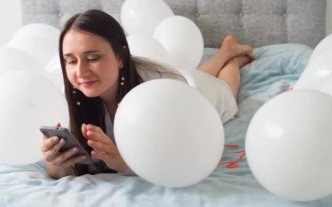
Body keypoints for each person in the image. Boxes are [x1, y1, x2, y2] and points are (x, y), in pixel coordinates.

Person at [41, 9, 254, 179]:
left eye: (93, 57)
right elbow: (61, 173)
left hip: (192, 98)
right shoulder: (70, 96)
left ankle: (233, 58)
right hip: (181, 80)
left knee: (225, 88)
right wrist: (54, 162)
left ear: (121, 57)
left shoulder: (160, 92)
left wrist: (125, 165)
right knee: (197, 74)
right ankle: (226, 50)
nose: (80, 72)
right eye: (70, 60)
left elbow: (176, 158)